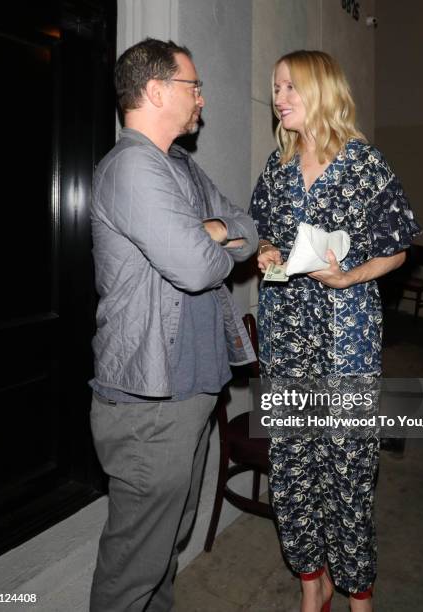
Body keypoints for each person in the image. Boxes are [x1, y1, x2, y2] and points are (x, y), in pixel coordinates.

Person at [89, 37, 258, 612]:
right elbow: (196, 266)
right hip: (148, 404)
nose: (202, 99)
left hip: (189, 394)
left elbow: (247, 228)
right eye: (193, 86)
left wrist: (214, 230)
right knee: (133, 569)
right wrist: (212, 235)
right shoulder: (133, 166)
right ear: (157, 89)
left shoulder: (180, 166)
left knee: (165, 549)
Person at [251, 50, 421, 612]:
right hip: (287, 337)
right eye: (276, 87)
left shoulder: (363, 163)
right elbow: (267, 242)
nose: (279, 98)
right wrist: (269, 253)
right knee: (294, 465)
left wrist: (349, 276)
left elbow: (398, 249)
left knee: (348, 467)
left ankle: (358, 592)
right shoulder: (276, 169)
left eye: (290, 87)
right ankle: (311, 585)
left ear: (320, 91)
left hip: (346, 337)